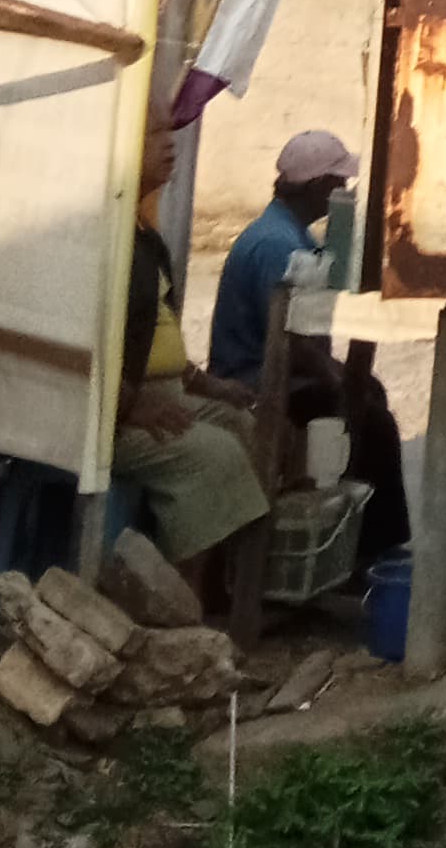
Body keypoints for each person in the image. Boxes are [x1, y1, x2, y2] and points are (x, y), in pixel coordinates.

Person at [207, 129, 411, 566]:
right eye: (337, 183)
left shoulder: (291, 233)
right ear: (318, 186)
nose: (342, 191)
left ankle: (365, 543)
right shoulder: (275, 243)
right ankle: (373, 550)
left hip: (281, 369)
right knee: (371, 422)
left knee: (367, 396)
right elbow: (291, 342)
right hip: (255, 381)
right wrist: (337, 380)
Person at [114, 121, 269, 588]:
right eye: (155, 134)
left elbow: (155, 332)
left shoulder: (146, 237)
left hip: (155, 392)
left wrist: (205, 383)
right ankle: (178, 603)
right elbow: (86, 341)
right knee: (214, 454)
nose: (171, 144)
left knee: (246, 424)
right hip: (107, 409)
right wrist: (126, 406)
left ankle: (226, 587)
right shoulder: (106, 240)